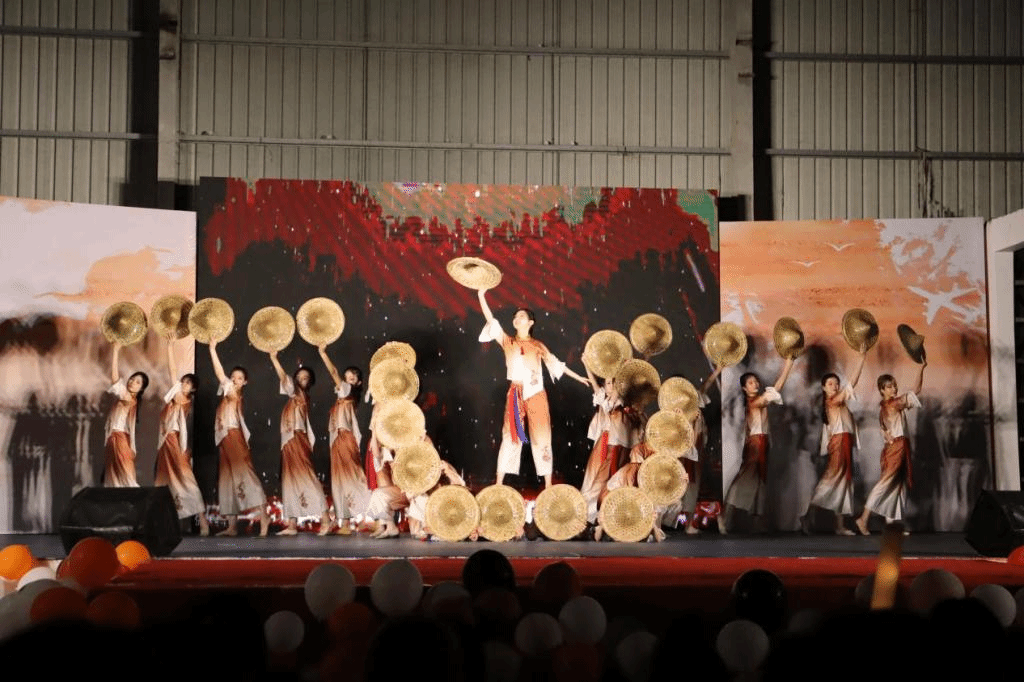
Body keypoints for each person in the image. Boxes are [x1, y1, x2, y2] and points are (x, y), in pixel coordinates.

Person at [475, 289, 590, 488]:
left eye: (521, 316)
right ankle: (499, 484)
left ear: (530, 322)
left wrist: (578, 377)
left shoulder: (538, 345)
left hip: (536, 394)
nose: (516, 319)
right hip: (515, 394)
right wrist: (481, 296)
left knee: (541, 437)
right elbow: (491, 320)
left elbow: (556, 364)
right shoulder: (508, 341)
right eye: (515, 317)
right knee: (510, 435)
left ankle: (548, 485)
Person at [719, 356, 796, 534]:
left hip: (763, 443)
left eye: (755, 382)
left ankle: (757, 521)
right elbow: (777, 388)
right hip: (755, 445)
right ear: (744, 388)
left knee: (760, 483)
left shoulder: (756, 402)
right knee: (743, 481)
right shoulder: (754, 403)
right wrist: (788, 365)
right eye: (750, 382)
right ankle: (724, 516)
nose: (755, 384)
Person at [800, 346, 868, 535]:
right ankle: (809, 514)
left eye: (836, 383)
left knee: (843, 484)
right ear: (824, 387)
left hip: (844, 443)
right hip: (839, 444)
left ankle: (839, 525)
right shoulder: (832, 401)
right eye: (830, 384)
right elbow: (852, 382)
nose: (835, 386)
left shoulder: (839, 403)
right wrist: (861, 358)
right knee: (831, 481)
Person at [855, 358, 927, 535]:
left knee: (897, 486)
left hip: (896, 447)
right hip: (896, 448)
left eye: (894, 385)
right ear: (882, 390)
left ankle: (891, 525)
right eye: (889, 387)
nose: (893, 389)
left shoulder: (884, 407)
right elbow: (916, 390)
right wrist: (921, 368)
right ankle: (863, 518)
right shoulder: (893, 404)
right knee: (885, 485)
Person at [210, 340, 269, 537]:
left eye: (239, 378)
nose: (235, 379)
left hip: (234, 436)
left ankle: (264, 517)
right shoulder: (228, 395)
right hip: (224, 438)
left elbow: (219, 373)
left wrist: (212, 349)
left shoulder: (233, 392)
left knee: (246, 476)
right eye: (233, 377)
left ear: (245, 382)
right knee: (227, 480)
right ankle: (232, 526)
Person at [269, 352, 332, 536]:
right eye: (300, 376)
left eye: (306, 377)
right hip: (288, 441)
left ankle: (326, 520)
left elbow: (283, 377)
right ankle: (292, 524)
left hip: (297, 438)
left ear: (309, 382)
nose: (302, 379)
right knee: (289, 480)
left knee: (307, 477)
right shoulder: (294, 397)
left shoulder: (299, 394)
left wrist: (274, 359)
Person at [154, 333, 209, 535]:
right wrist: (170, 346)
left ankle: (203, 522)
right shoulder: (175, 398)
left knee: (187, 482)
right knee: (162, 483)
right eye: (183, 381)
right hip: (165, 443)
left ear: (192, 389)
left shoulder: (183, 400)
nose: (183, 384)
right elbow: (173, 375)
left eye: (187, 383)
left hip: (176, 443)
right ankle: (162, 524)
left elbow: (172, 372)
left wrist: (170, 347)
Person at [578, 358, 642, 528]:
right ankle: (587, 516)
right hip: (608, 446)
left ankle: (610, 518)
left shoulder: (626, 404)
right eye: (608, 383)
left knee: (615, 483)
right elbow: (595, 385)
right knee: (597, 480)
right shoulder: (606, 401)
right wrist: (586, 364)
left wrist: (628, 368)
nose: (611, 386)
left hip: (623, 447)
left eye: (614, 383)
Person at [660, 366, 723, 535]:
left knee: (693, 485)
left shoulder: (692, 399)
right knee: (676, 484)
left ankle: (688, 524)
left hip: (696, 446)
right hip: (680, 448)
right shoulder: (669, 407)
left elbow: (706, 386)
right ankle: (664, 521)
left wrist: (718, 370)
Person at [318, 346, 370, 533]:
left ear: (358, 382)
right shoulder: (344, 395)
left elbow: (333, 372)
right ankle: (345, 522)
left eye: (352, 377)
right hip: (337, 438)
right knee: (340, 479)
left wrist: (323, 353)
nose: (347, 379)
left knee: (353, 475)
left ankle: (372, 513)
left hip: (345, 437)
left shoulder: (347, 390)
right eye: (347, 376)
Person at [103, 341, 148, 487]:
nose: (132, 382)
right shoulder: (127, 398)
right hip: (114, 439)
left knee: (126, 479)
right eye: (132, 379)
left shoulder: (129, 398)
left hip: (120, 440)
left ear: (141, 389)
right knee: (114, 479)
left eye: (137, 382)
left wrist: (116, 351)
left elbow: (115, 380)